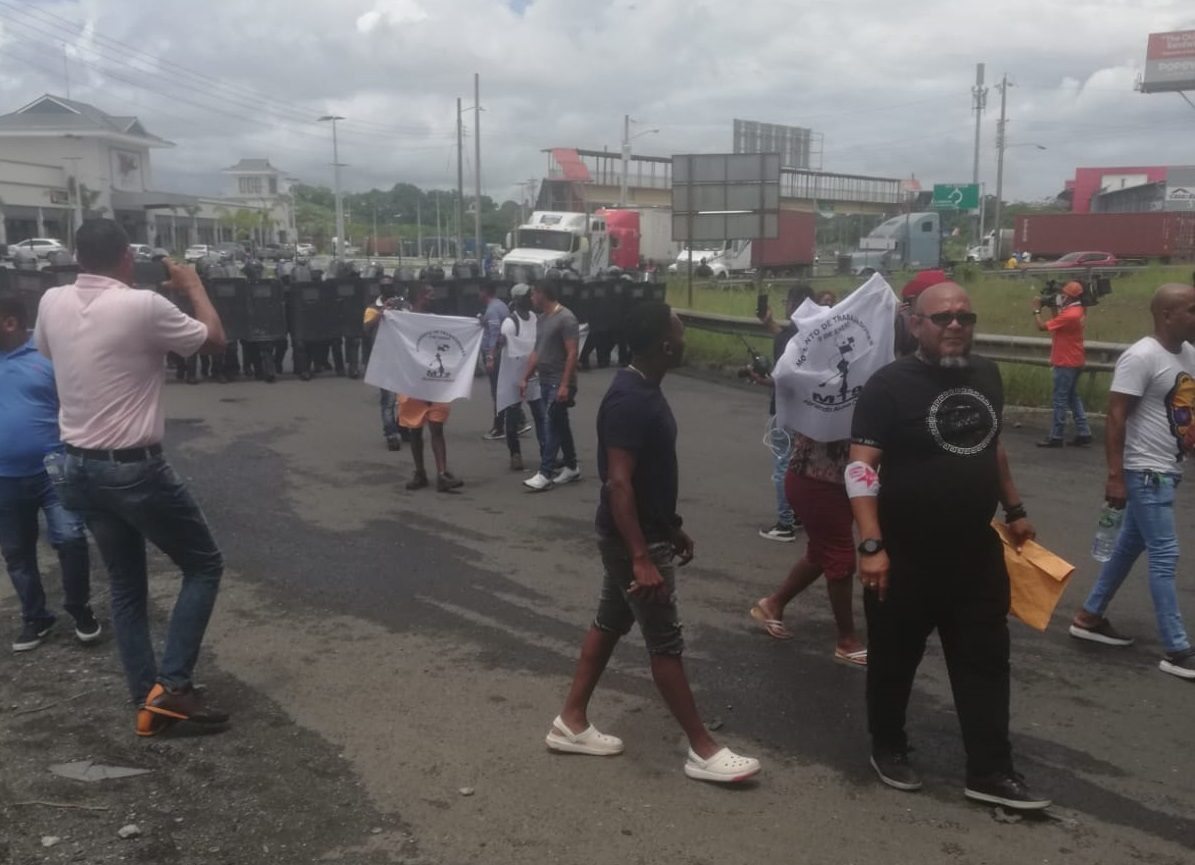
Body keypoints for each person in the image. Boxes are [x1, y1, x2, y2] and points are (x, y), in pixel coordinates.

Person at [847, 281, 1050, 810]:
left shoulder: (987, 375)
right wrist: (871, 544)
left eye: (965, 316)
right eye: (943, 318)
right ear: (916, 324)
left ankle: (990, 770)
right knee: (894, 660)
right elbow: (861, 468)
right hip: (904, 555)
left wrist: (1016, 509)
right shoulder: (889, 386)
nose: (956, 325)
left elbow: (993, 445)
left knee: (986, 661)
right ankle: (888, 746)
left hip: (975, 555)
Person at [545, 301, 760, 784]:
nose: (683, 339)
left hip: (644, 532)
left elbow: (646, 478)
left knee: (610, 620)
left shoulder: (643, 389)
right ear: (665, 344)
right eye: (679, 332)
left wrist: (671, 524)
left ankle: (571, 722)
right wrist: (642, 556)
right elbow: (618, 484)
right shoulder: (630, 400)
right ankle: (702, 750)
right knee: (665, 640)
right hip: (632, 542)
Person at [34, 218, 229, 737]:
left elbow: (53, 351)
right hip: (130, 467)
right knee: (204, 565)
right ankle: (173, 688)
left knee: (125, 584)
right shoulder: (144, 306)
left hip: (75, 465)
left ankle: (146, 696)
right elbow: (214, 340)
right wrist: (193, 287)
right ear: (126, 257)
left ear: (78, 257)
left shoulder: (51, 301)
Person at [1069, 283, 1195, 680]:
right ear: (1166, 315)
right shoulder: (1140, 356)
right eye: (1192, 310)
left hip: (1169, 468)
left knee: (1128, 547)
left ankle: (1089, 616)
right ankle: (1176, 649)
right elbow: (1117, 416)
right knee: (1165, 553)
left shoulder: (1189, 354)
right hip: (1145, 471)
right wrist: (1115, 476)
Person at [749, 291, 867, 665]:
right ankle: (846, 640)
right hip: (816, 480)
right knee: (841, 558)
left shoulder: (851, 373)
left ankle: (773, 604)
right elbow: (785, 379)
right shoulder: (815, 378)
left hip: (830, 480)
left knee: (821, 552)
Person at [0, 294, 99, 653]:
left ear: (9, 322)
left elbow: (78, 406)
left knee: (70, 538)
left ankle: (79, 607)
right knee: (16, 552)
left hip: (52, 469)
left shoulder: (47, 358)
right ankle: (35, 617)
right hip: (4, 477)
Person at [752, 284, 813, 542]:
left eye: (788, 300)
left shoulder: (784, 340)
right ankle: (797, 514)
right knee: (799, 465)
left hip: (783, 411)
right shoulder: (813, 333)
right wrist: (770, 325)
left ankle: (784, 523)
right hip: (807, 411)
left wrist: (761, 379)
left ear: (795, 303)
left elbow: (780, 379)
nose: (786, 305)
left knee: (782, 467)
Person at [400, 284, 463, 493]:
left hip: (435, 382)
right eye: (430, 295)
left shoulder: (435, 319)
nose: (433, 298)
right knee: (415, 431)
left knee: (437, 428)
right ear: (419, 296)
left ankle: (442, 474)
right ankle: (420, 473)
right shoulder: (404, 320)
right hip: (412, 383)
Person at [520, 279, 581, 492]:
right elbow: (537, 351)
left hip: (559, 381)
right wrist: (525, 377)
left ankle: (545, 472)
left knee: (551, 423)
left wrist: (565, 385)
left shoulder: (567, 319)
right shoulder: (543, 319)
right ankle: (572, 466)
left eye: (533, 294)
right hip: (545, 379)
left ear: (541, 294)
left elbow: (573, 353)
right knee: (559, 422)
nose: (531, 298)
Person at [1032, 281, 1093, 447]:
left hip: (1065, 361)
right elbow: (1057, 321)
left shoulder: (1070, 315)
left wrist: (1036, 309)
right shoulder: (1079, 311)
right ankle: (1083, 431)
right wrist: (1053, 305)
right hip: (1075, 359)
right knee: (1073, 397)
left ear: (1069, 296)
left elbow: (1042, 327)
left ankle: (1056, 436)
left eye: (1064, 294)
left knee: (1060, 399)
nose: (1061, 297)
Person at [499, 284, 546, 472]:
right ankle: (515, 454)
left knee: (540, 415)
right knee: (512, 415)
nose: (532, 298)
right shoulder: (511, 323)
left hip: (532, 374)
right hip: (514, 375)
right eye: (528, 295)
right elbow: (504, 340)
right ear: (518, 299)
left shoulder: (535, 318)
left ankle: (546, 451)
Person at [479, 282, 525, 440]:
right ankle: (519, 420)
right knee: (505, 388)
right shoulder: (501, 306)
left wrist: (490, 357)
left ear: (484, 292)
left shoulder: (492, 310)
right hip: (505, 352)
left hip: (496, 354)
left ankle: (499, 427)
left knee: (497, 391)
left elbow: (494, 334)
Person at [363, 287, 406, 452]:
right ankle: (391, 434)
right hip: (384, 361)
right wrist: (382, 312)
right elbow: (367, 328)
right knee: (388, 401)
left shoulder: (403, 307)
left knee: (405, 398)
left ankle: (403, 427)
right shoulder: (372, 309)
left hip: (402, 360)